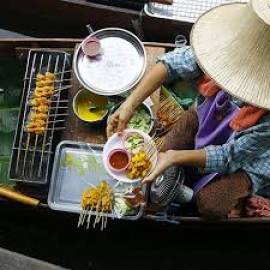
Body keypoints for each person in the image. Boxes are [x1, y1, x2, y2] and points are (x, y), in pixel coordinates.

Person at [107, 0, 270, 219]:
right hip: (208, 117)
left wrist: (175, 157)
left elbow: (230, 156)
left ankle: (239, 194)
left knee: (209, 205)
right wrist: (130, 104)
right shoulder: (227, 46)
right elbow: (171, 64)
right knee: (159, 152)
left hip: (251, 158)